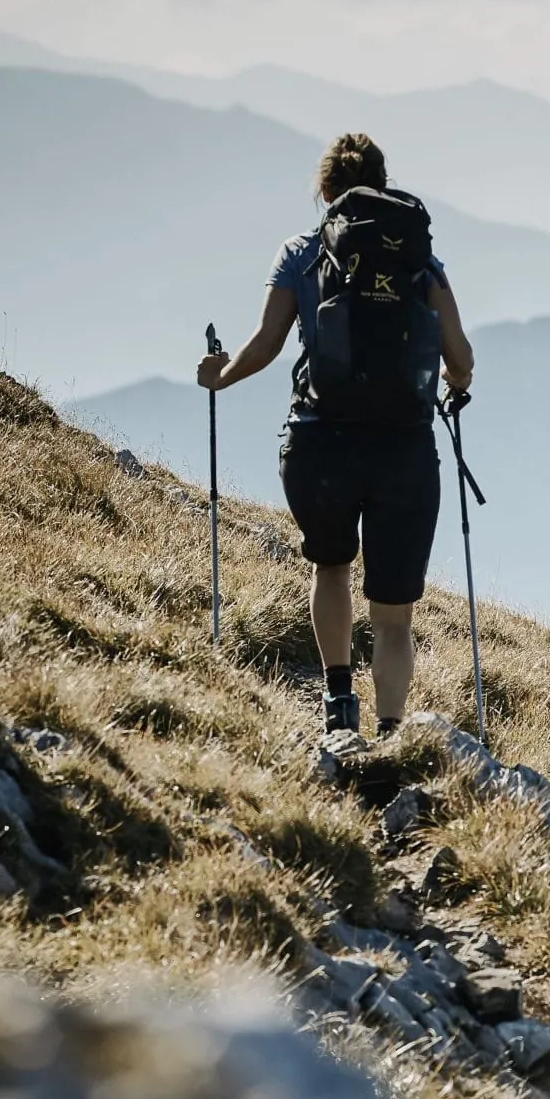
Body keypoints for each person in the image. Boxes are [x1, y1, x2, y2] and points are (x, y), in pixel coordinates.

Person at [197, 132, 473, 737]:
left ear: (324, 191)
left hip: (321, 440)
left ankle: (338, 701)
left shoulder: (300, 252)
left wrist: (223, 376)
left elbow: (267, 343)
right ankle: (392, 732)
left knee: (332, 568)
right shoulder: (420, 260)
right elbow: (462, 355)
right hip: (403, 447)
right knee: (394, 617)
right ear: (384, 180)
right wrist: (454, 380)